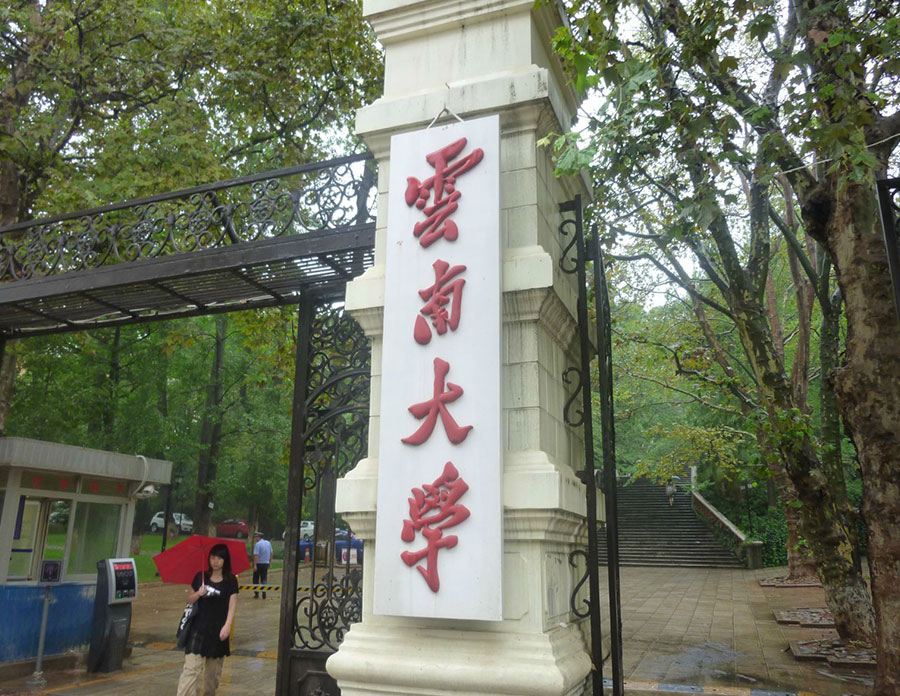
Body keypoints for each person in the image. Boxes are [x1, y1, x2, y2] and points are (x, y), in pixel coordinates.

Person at [175, 544, 238, 696]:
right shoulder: (200, 577)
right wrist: (198, 593)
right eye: (212, 557)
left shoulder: (230, 581)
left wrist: (227, 626)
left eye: (219, 558)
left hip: (217, 631)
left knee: (211, 680)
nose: (215, 561)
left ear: (225, 560)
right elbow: (189, 600)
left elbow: (232, 606)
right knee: (190, 670)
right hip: (198, 630)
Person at [252, 531, 273, 599]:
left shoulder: (257, 544)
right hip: (266, 563)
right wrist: (270, 562)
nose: (255, 538)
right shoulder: (268, 543)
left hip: (259, 563)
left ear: (259, 537)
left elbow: (256, 555)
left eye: (256, 537)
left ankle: (256, 594)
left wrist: (254, 565)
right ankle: (264, 593)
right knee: (264, 578)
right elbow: (271, 553)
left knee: (256, 579)